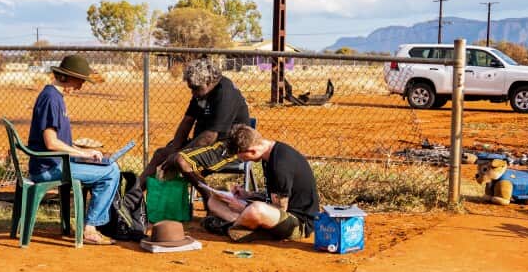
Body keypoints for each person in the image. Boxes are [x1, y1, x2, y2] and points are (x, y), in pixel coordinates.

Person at [26, 54, 120, 245]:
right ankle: (91, 228)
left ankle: (91, 224)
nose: (80, 87)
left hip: (54, 163)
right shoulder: (51, 99)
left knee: (107, 165)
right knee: (111, 172)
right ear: (65, 77)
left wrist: (82, 151)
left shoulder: (54, 97)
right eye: (79, 81)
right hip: (48, 168)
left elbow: (60, 141)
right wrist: (83, 154)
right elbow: (51, 143)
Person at [140, 58, 250, 187]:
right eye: (191, 89)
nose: (193, 93)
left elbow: (210, 136)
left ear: (208, 81)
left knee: (180, 160)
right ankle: (132, 198)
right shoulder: (201, 93)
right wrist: (174, 149)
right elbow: (187, 121)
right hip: (207, 144)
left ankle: (210, 198)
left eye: (196, 88)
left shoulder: (225, 94)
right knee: (161, 154)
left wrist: (177, 154)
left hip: (229, 148)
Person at [203, 124, 319, 242]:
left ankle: (232, 226)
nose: (243, 160)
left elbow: (280, 209)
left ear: (252, 151)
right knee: (214, 200)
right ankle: (239, 226)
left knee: (255, 210)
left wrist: (242, 206)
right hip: (276, 213)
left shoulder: (280, 164)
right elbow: (273, 195)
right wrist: (248, 195)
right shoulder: (269, 155)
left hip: (297, 224)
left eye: (243, 157)